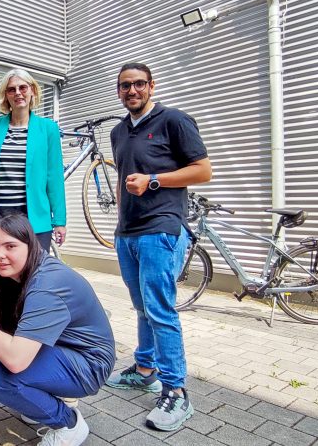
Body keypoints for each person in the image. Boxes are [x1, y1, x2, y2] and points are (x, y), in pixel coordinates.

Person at [105, 62, 211, 432]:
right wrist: (119, 227)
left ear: (151, 86)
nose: (131, 91)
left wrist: (153, 181)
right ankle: (145, 368)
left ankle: (176, 391)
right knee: (141, 306)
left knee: (161, 309)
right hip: (128, 232)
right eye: (124, 86)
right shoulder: (119, 132)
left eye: (138, 84)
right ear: (118, 91)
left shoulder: (175, 121)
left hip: (162, 228)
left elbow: (202, 170)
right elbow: (122, 181)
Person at [0, 214, 115, 446]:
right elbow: (21, 316)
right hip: (63, 349)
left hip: (89, 365)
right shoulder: (30, 269)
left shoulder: (47, 286)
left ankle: (69, 424)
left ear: (29, 245)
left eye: (10, 246)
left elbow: (15, 360)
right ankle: (40, 400)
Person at [0, 68, 66, 251]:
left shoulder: (48, 129)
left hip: (33, 217)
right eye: (11, 89)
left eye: (23, 87)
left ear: (32, 91)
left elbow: (54, 177)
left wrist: (59, 221)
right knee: (0, 273)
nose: (18, 93)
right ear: (6, 95)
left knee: (34, 274)